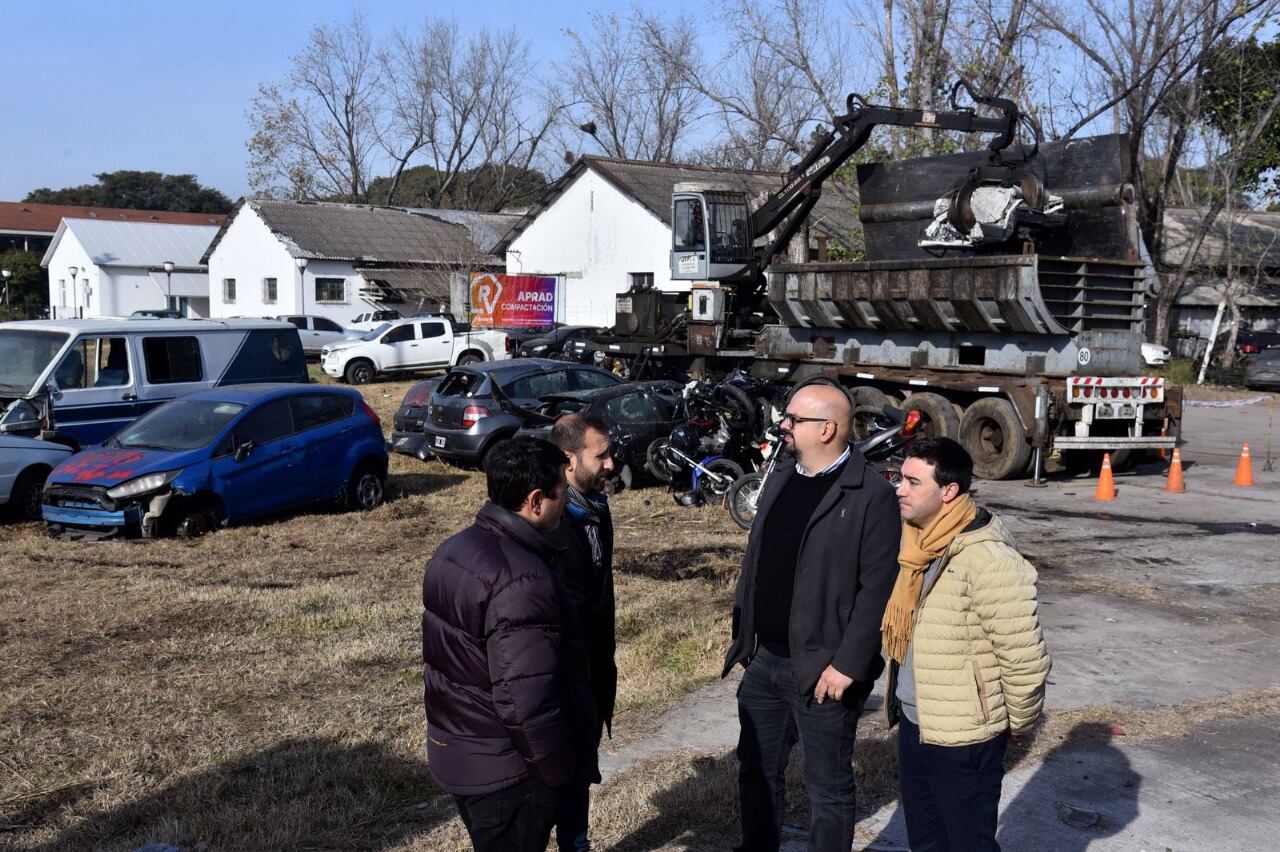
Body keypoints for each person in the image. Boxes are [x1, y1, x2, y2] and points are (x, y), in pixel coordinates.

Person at [723, 381, 901, 852]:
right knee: (757, 768)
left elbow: (876, 590)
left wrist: (848, 665)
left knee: (827, 787)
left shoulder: (870, 495)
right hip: (764, 659)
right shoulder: (783, 473)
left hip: (825, 668)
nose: (783, 426)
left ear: (828, 429)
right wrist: (746, 636)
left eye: (793, 420)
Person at [421, 437, 596, 852]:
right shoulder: (521, 578)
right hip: (509, 773)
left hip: (461, 750)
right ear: (535, 501)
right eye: (560, 493)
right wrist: (556, 774)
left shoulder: (455, 549)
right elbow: (525, 698)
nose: (565, 502)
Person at [883, 437, 1051, 852]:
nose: (899, 489)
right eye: (899, 479)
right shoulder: (917, 543)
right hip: (916, 720)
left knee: (966, 842)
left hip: (965, 735)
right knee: (925, 839)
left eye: (912, 482)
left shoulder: (988, 557)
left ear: (949, 491)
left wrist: (1018, 723)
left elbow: (1023, 657)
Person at [547, 411, 617, 852]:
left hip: (591, 675)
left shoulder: (596, 508)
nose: (611, 463)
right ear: (568, 459)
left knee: (577, 783)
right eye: (602, 455)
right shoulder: (549, 521)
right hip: (558, 683)